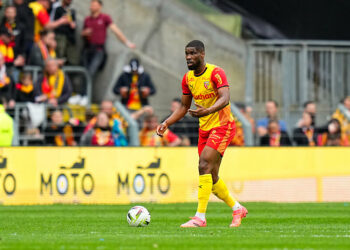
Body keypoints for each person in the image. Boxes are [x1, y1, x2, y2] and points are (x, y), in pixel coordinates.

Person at [156, 40, 247, 228]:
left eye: (193, 53)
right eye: (186, 54)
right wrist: (166, 123)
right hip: (205, 129)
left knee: (203, 164)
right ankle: (237, 208)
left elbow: (225, 97)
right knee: (211, 177)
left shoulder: (216, 73)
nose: (189, 57)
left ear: (202, 54)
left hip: (222, 125)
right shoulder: (187, 79)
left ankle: (200, 217)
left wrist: (207, 110)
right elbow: (183, 107)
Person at [81, 0, 135, 78]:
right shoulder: (87, 19)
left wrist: (127, 43)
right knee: (83, 72)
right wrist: (85, 33)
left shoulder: (104, 18)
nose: (91, 7)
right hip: (87, 49)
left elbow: (115, 30)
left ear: (99, 6)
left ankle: (85, 90)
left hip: (98, 50)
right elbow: (82, 34)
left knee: (90, 73)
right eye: (91, 5)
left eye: (94, 5)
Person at [51, 0, 77, 64]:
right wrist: (62, 20)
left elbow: (73, 25)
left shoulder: (71, 11)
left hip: (70, 38)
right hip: (60, 36)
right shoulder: (58, 9)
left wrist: (70, 22)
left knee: (70, 59)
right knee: (60, 56)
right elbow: (52, 22)